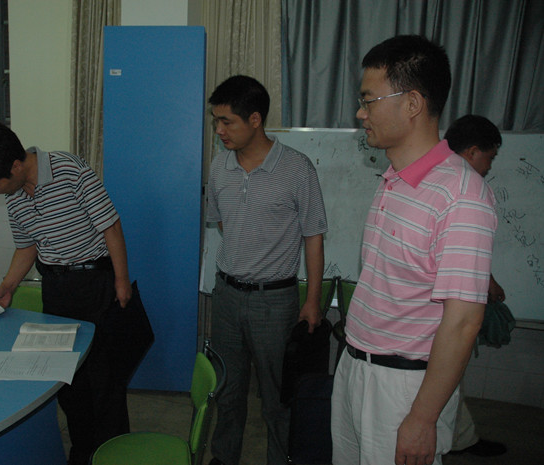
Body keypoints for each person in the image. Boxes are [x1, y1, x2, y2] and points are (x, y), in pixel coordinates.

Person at [330, 35, 497, 465]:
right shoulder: (393, 179)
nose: (361, 113)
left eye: (369, 100)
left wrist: (423, 418)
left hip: (402, 388)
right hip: (355, 365)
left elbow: (464, 322)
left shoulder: (461, 195)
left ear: (412, 103)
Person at [0, 120, 132, 465]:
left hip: (94, 283)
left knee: (104, 382)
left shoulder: (70, 170)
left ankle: (114, 454)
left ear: (15, 166)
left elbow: (110, 225)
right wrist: (8, 286)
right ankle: (82, 452)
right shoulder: (14, 196)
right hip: (56, 288)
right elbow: (27, 246)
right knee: (68, 380)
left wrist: (121, 281)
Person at [205, 75, 328, 465]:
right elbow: (221, 222)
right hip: (226, 296)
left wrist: (312, 301)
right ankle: (224, 457)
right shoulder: (219, 166)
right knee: (227, 389)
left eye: (227, 121)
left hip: (274, 302)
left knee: (278, 398)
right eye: (216, 121)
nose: (219, 130)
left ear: (255, 119)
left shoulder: (297, 168)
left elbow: (313, 236)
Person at [444, 114, 507, 457]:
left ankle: (459, 438)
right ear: (471, 152)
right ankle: (453, 441)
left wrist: (489, 279)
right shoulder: (468, 189)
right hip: (444, 310)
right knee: (446, 377)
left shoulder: (447, 181)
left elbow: (465, 249)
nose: (490, 165)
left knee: (450, 378)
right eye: (489, 157)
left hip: (446, 306)